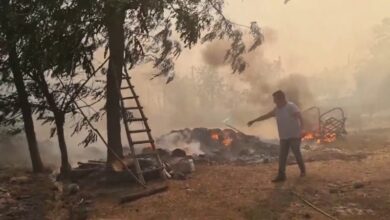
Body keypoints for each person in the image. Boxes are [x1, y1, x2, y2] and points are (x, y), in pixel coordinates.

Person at [247, 90, 306, 182]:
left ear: (281, 98)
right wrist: (254, 121)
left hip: (294, 135)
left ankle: (303, 171)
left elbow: (300, 117)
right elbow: (265, 116)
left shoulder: (290, 106)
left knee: (297, 153)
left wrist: (302, 129)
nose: (274, 101)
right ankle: (281, 175)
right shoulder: (277, 109)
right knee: (282, 156)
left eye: (275, 99)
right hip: (283, 137)